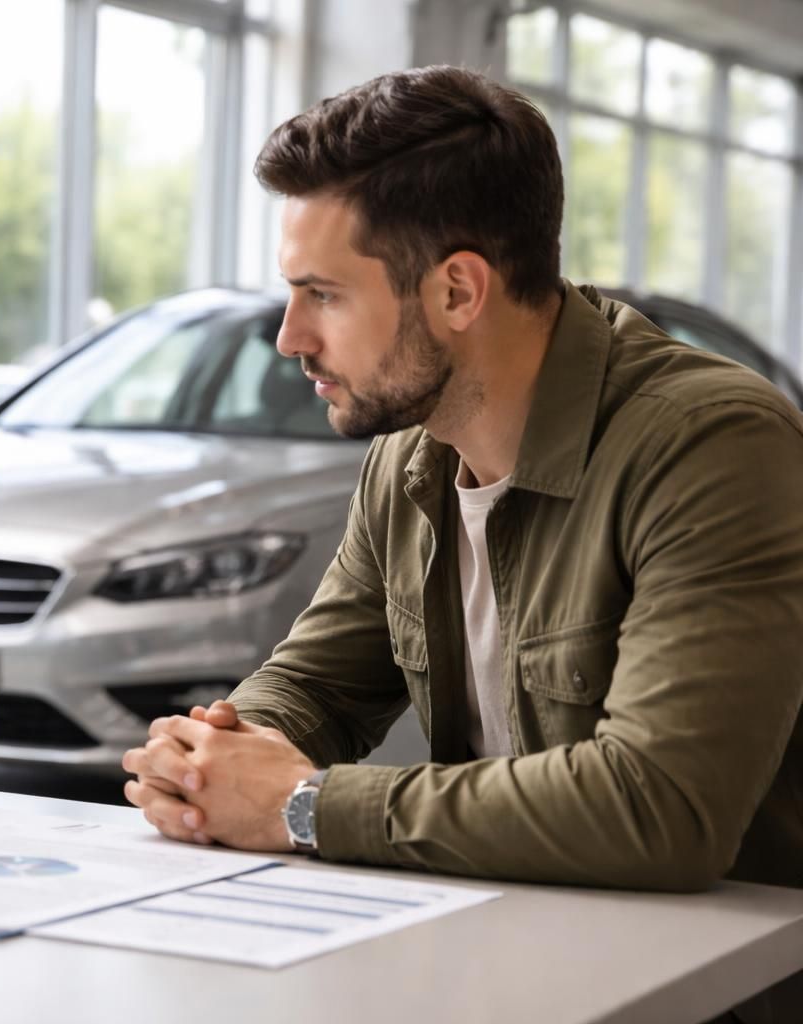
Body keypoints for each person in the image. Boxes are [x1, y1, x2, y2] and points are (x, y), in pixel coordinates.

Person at [124, 65, 803, 893]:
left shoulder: (711, 444)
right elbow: (316, 684)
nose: (290, 338)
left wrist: (302, 805)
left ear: (457, 290)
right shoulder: (410, 454)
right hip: (508, 946)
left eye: (323, 296)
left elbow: (662, 807)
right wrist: (210, 763)